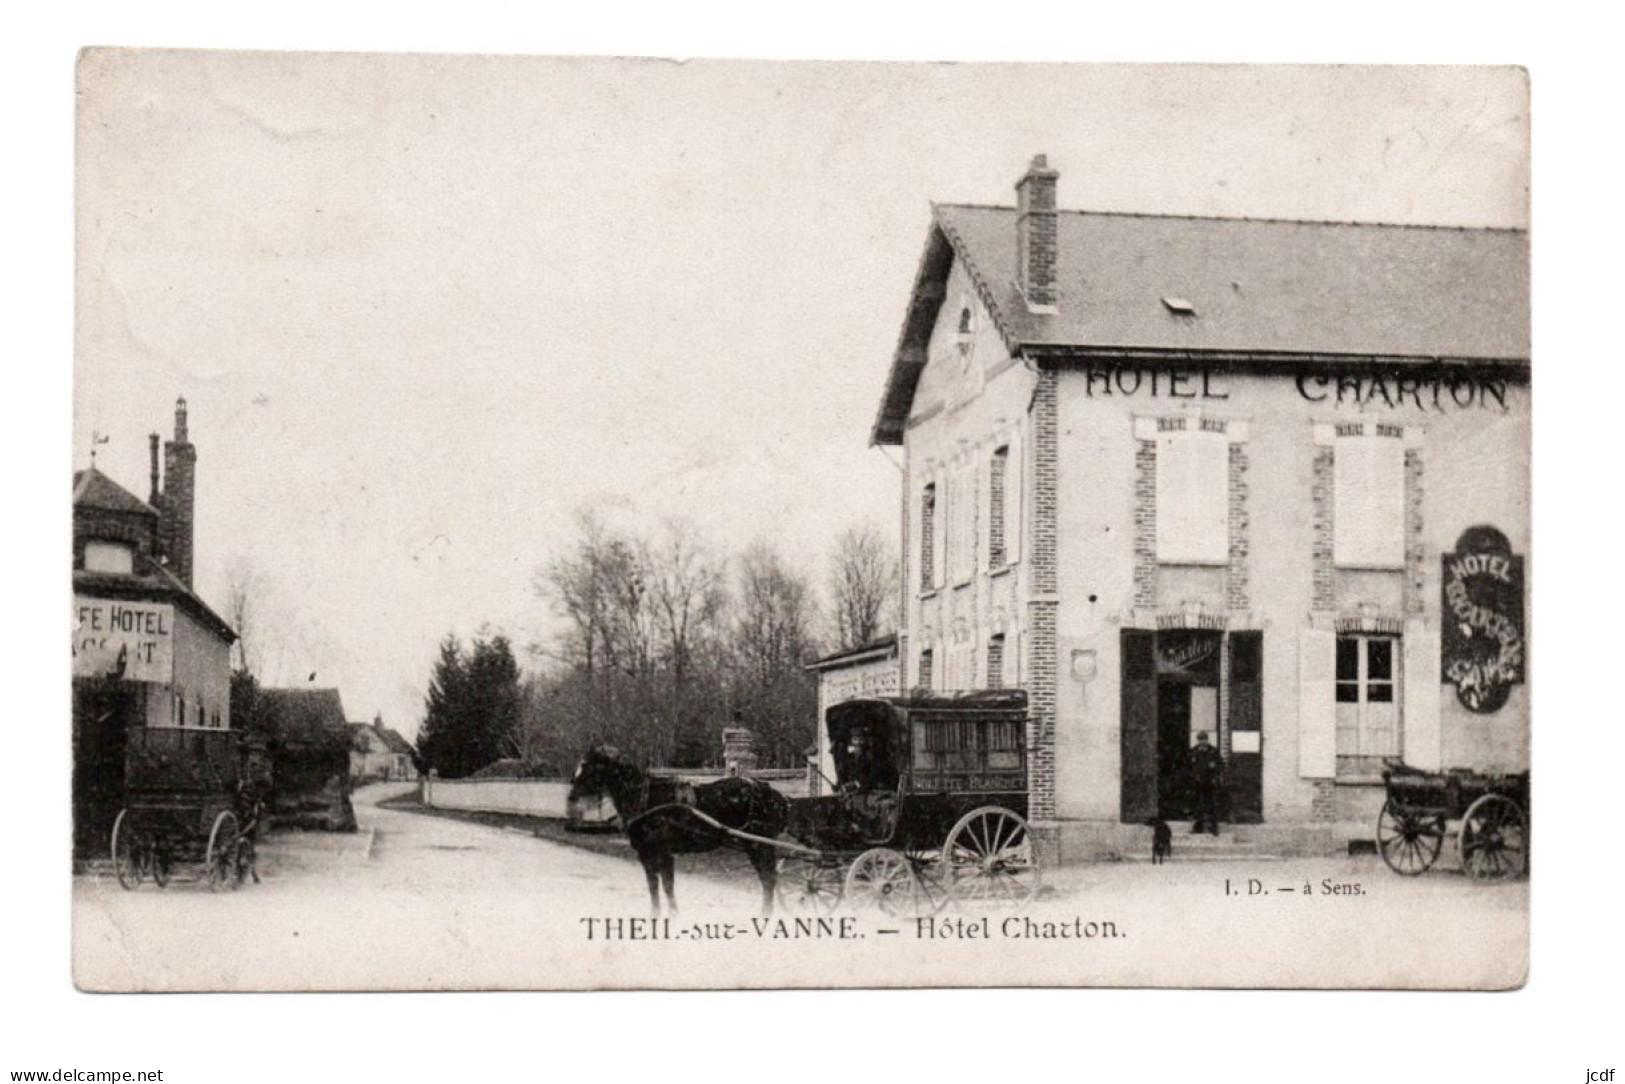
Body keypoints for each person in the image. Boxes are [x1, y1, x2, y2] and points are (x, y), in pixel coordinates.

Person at [1189, 730, 1224, 835]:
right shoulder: (1193, 752)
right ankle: (1198, 828)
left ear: (1207, 740)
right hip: (1197, 783)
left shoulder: (1213, 751)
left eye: (1204, 740)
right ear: (1198, 741)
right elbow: (1188, 767)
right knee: (1197, 805)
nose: (1203, 742)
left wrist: (1215, 768)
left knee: (1211, 805)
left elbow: (1221, 765)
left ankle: (1213, 828)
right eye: (1201, 740)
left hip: (1210, 782)